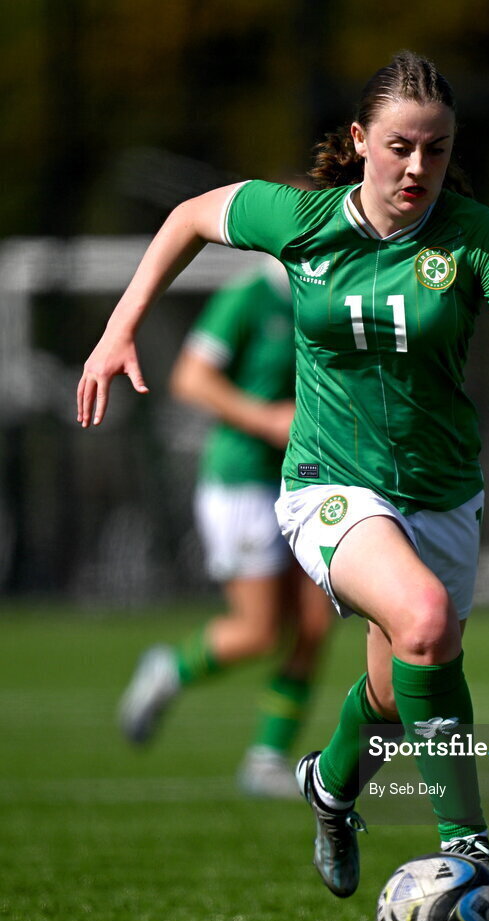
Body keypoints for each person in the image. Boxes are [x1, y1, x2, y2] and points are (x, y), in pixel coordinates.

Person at [78, 50, 489, 898]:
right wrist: (119, 326)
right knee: (425, 619)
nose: (417, 167)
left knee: (393, 692)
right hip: (327, 481)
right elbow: (189, 218)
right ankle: (470, 851)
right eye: (398, 147)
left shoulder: (473, 236)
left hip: (442, 491)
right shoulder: (302, 219)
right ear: (359, 140)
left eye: (436, 149)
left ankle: (329, 786)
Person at [118, 255, 333, 798]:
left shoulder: (330, 295)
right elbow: (190, 379)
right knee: (261, 631)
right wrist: (264, 419)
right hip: (242, 483)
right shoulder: (248, 298)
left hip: (305, 479)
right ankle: (173, 668)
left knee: (314, 623)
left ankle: (265, 759)